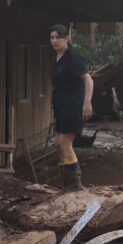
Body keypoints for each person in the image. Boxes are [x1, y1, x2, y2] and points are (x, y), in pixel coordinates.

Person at [49, 24, 94, 192]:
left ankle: (75, 185)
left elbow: (88, 79)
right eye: (52, 37)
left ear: (67, 38)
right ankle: (67, 184)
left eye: (57, 37)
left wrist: (87, 101)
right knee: (58, 143)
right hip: (61, 105)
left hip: (73, 104)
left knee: (65, 143)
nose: (54, 41)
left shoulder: (73, 57)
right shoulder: (58, 57)